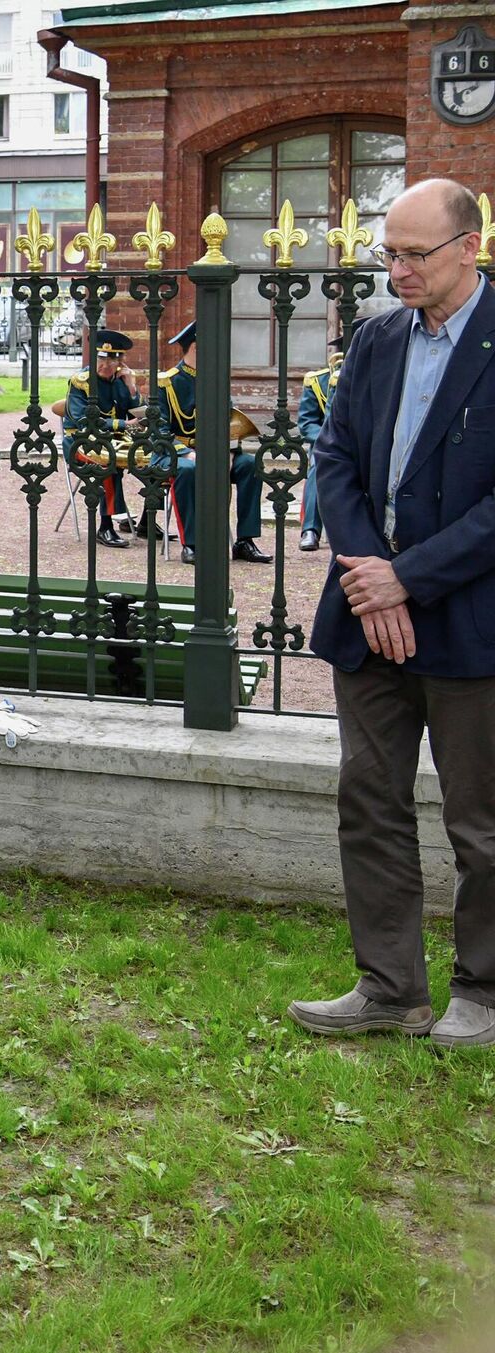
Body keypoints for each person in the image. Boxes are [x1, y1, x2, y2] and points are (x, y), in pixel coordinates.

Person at [287, 177, 495, 1050]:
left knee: (479, 821)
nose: (398, 269)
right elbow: (334, 458)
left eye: (415, 254)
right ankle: (391, 987)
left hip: (468, 617)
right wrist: (371, 575)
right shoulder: (375, 341)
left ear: (468, 248)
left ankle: (483, 992)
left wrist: (407, 577)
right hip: (370, 615)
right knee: (367, 799)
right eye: (390, 254)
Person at [152, 320, 270, 565]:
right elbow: (158, 429)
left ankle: (245, 541)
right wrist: (186, 452)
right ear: (195, 347)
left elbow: (229, 422)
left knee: (249, 465)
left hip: (214, 451)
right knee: (188, 469)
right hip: (175, 453)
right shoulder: (166, 383)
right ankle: (191, 544)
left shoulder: (215, 378)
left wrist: (227, 452)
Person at [63, 328, 152, 548]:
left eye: (112, 360)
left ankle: (147, 522)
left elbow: (142, 412)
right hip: (82, 443)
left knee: (158, 460)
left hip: (119, 442)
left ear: (120, 362)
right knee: (108, 466)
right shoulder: (80, 382)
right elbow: (84, 420)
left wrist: (132, 386)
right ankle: (105, 527)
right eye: (101, 358)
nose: (105, 365)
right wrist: (122, 424)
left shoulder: (121, 381)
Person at [296, 342, 344, 552]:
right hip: (326, 444)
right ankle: (311, 530)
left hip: (359, 444)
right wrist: (326, 438)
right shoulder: (317, 381)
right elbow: (306, 423)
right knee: (318, 464)